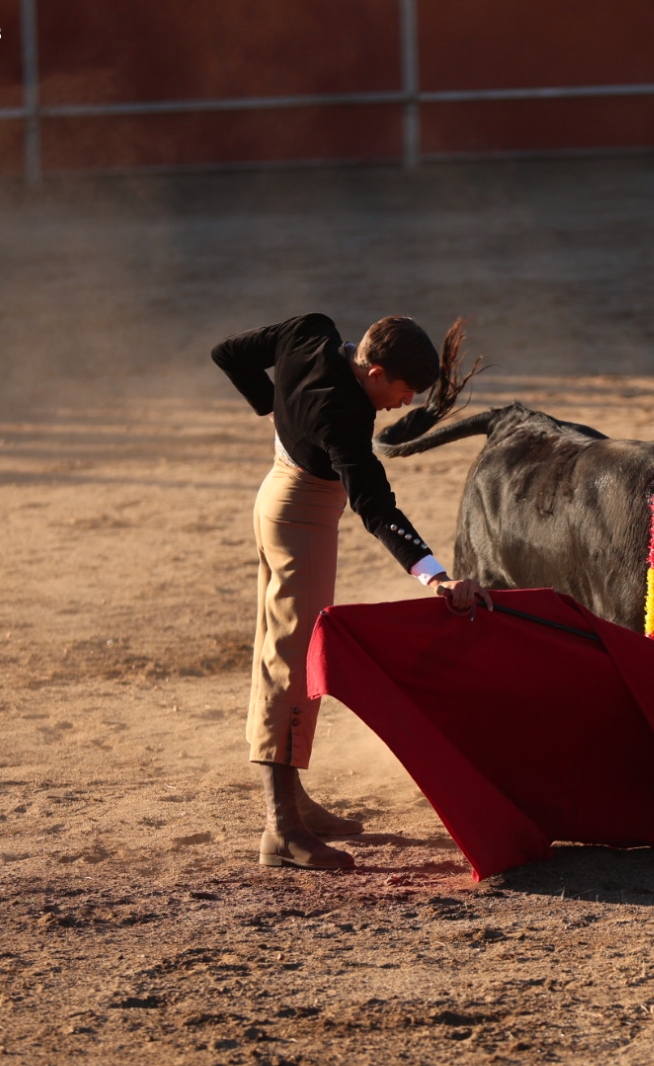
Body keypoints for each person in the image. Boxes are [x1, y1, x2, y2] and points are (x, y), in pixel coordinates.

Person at [212, 313, 490, 870]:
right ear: (376, 370)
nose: (404, 403)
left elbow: (228, 353)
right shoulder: (341, 414)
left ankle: (296, 807)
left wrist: (274, 406)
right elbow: (376, 506)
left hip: (276, 500)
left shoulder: (308, 331)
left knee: (283, 652)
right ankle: (281, 830)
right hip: (303, 523)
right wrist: (434, 576)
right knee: (289, 662)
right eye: (404, 391)